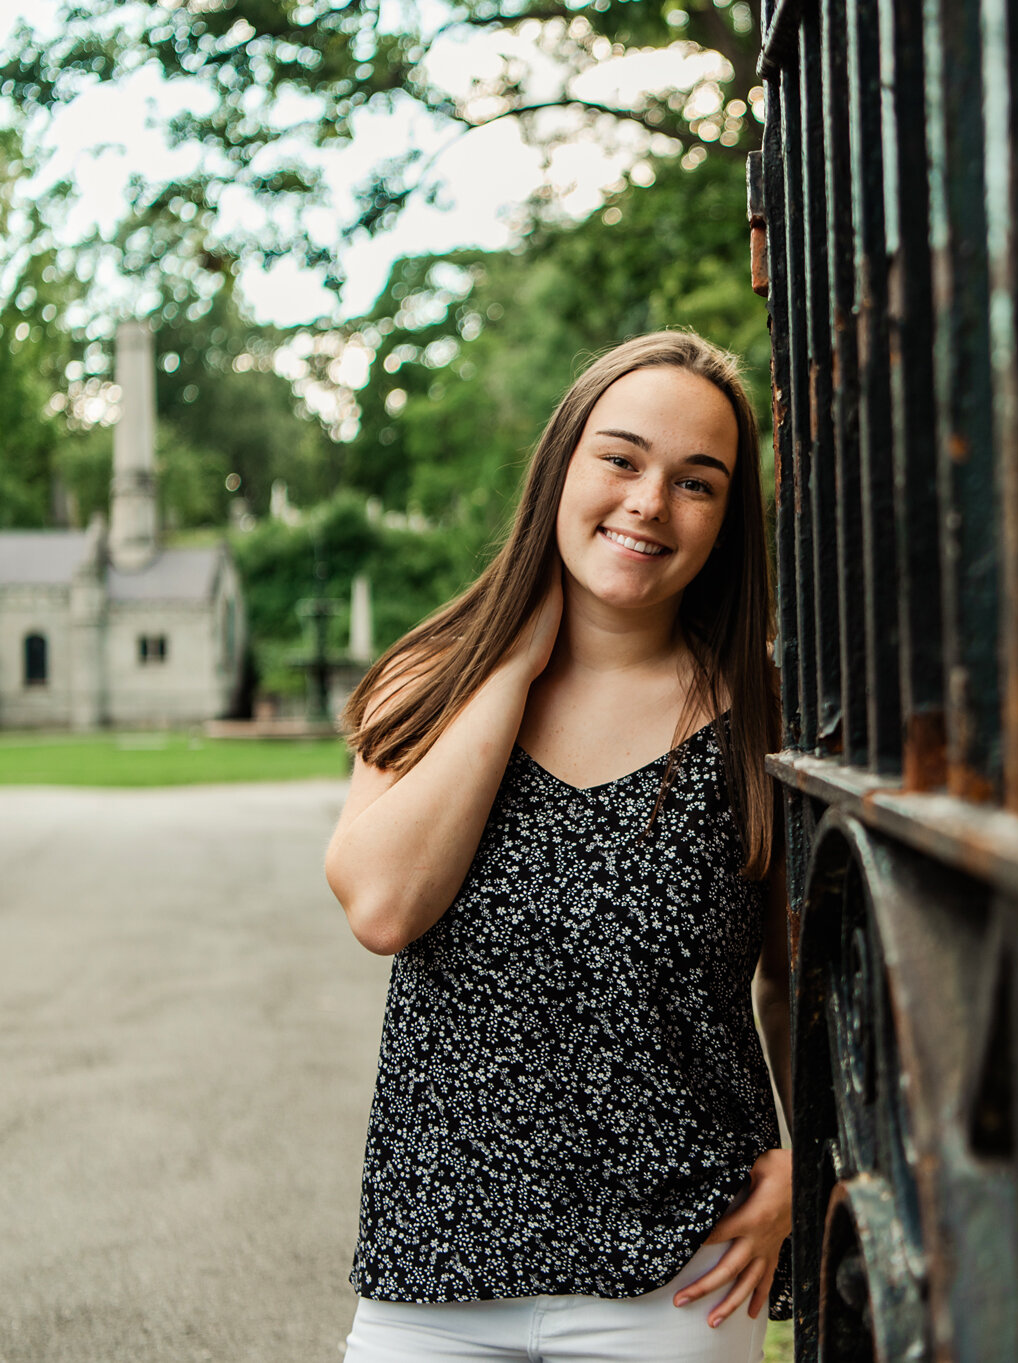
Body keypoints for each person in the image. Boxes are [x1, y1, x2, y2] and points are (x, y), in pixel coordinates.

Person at [323, 331, 792, 1362]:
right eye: (620, 459)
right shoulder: (429, 683)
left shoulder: (763, 715)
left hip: (677, 1278)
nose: (647, 503)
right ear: (562, 467)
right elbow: (385, 907)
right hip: (433, 1268)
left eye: (696, 482)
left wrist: (805, 1161)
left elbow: (804, 983)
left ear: (725, 519)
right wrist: (509, 668)